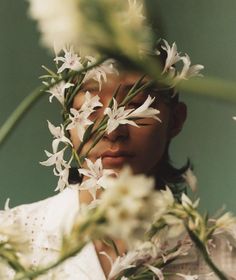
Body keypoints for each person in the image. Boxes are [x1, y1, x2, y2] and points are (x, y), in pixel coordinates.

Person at [1, 48, 235, 280]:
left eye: (135, 104)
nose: (112, 131)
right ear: (68, 121)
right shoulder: (8, 238)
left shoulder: (224, 254)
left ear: (175, 120)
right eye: (90, 107)